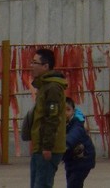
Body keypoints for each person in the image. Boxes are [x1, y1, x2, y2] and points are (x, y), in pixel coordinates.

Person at [29, 48, 67, 188]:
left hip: (47, 148)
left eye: (35, 62)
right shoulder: (44, 86)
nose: (31, 66)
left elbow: (52, 118)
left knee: (42, 184)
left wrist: (47, 146)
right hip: (40, 146)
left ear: (45, 66)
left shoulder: (52, 88)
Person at [63, 97, 96, 188]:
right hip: (71, 161)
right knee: (72, 182)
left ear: (73, 111)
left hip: (83, 159)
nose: (65, 113)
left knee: (73, 184)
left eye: (68, 110)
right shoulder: (61, 123)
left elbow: (74, 134)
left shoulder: (77, 123)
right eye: (62, 110)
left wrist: (66, 144)